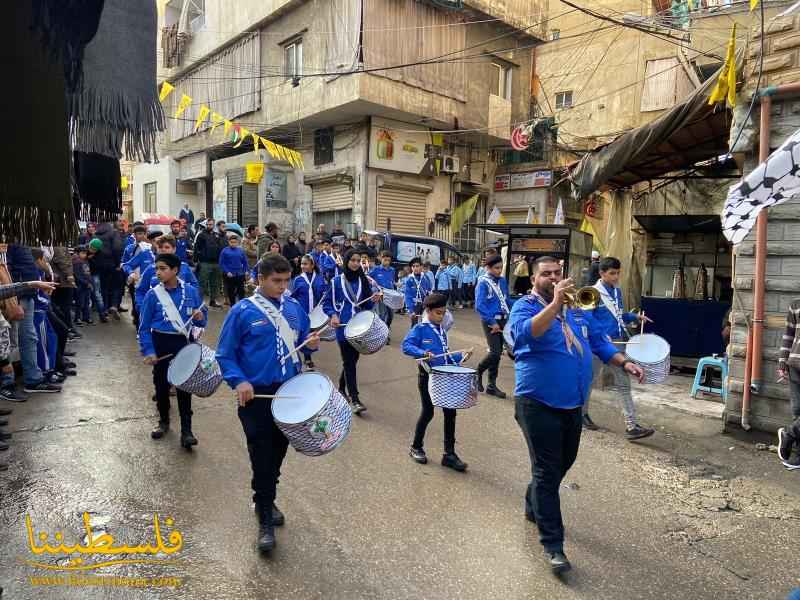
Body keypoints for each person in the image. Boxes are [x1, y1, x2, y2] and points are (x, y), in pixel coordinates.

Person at [508, 256, 644, 573]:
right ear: (533, 280)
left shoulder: (579, 308)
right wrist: (555, 303)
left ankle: (534, 503)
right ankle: (553, 545)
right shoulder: (525, 307)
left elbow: (599, 341)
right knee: (546, 470)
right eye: (546, 274)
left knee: (560, 465)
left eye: (557, 273)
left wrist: (623, 362)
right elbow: (524, 335)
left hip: (572, 404)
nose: (553, 277)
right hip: (537, 402)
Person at [216, 254, 320, 552]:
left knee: (277, 453)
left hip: (288, 392)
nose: (282, 287)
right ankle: (264, 518)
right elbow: (225, 354)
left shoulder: (295, 308)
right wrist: (239, 381)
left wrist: (311, 343)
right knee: (261, 454)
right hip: (256, 395)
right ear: (260, 278)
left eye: (287, 281)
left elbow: (303, 339)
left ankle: (266, 496)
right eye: (276, 281)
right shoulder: (242, 311)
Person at [139, 253, 207, 448]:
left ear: (175, 270)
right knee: (161, 386)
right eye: (156, 269)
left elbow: (201, 321)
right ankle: (163, 422)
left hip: (183, 343)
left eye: (163, 268)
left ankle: (187, 430)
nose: (158, 272)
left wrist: (199, 317)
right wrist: (149, 350)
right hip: (160, 342)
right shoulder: (153, 295)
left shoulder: (191, 292)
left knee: (184, 387)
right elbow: (144, 327)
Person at [585, 256, 654, 440]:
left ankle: (632, 426)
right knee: (588, 381)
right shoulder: (590, 293)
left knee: (624, 384)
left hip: (616, 343)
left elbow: (619, 316)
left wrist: (634, 317)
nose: (616, 277)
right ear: (601, 273)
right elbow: (585, 319)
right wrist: (600, 333)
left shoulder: (617, 291)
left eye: (618, 273)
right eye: (612, 273)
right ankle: (581, 415)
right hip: (597, 345)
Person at [402, 293, 472, 471]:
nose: (442, 317)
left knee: (450, 413)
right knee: (428, 412)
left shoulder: (441, 330)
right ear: (428, 311)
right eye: (439, 313)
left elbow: (446, 355)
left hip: (444, 377)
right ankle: (416, 447)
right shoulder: (420, 328)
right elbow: (406, 346)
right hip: (427, 377)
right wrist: (422, 352)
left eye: (444, 313)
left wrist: (462, 355)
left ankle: (449, 454)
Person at [322, 249, 381, 415]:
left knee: (352, 361)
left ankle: (341, 386)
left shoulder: (364, 281)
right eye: (352, 260)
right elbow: (327, 303)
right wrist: (333, 315)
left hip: (360, 328)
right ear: (346, 261)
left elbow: (367, 306)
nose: (355, 263)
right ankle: (354, 399)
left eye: (358, 260)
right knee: (349, 361)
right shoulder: (336, 282)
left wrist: (373, 300)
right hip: (343, 328)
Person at [6, 244, 61, 393]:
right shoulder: (11, 245)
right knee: (9, 342)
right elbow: (6, 271)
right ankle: (9, 383)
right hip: (17, 296)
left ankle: (33, 379)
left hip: (27, 294)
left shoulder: (21, 243)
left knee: (29, 338)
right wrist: (13, 300)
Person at [474, 254, 510, 398]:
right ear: (488, 267)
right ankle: (477, 371)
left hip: (504, 319)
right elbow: (480, 306)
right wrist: (493, 322)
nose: (499, 270)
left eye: (501, 267)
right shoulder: (483, 282)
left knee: (498, 354)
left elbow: (506, 300)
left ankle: (491, 385)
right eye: (496, 268)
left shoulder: (502, 281)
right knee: (494, 352)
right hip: (491, 321)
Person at [291, 255, 326, 369]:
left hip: (315, 312)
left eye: (305, 264)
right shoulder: (298, 279)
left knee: (312, 334)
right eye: (301, 264)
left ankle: (307, 354)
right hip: (303, 311)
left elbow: (323, 292)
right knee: (305, 333)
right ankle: (307, 358)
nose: (303, 266)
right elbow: (294, 296)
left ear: (312, 265)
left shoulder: (320, 278)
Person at [194, 217, 225, 308]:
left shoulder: (217, 235)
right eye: (207, 224)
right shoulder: (201, 235)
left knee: (215, 283)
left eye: (211, 224)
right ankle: (199, 302)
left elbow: (221, 247)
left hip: (216, 262)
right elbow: (197, 248)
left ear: (214, 225)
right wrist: (196, 260)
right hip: (205, 262)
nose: (209, 226)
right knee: (202, 283)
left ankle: (213, 301)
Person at [219, 235, 249, 307]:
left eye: (235, 242)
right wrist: (227, 272)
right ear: (229, 242)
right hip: (230, 275)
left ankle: (242, 305)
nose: (233, 244)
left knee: (241, 291)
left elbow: (245, 262)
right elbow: (221, 263)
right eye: (231, 242)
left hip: (240, 274)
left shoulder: (240, 251)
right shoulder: (224, 251)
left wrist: (246, 271)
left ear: (237, 242)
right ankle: (233, 305)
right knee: (231, 291)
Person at [370, 251, 396, 332]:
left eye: (388, 260)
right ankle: (382, 332)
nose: (387, 262)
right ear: (381, 259)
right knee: (381, 314)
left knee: (390, 315)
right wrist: (373, 288)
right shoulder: (376, 269)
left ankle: (386, 328)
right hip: (380, 295)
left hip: (390, 295)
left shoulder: (392, 270)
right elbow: (367, 278)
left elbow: (392, 281)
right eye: (385, 260)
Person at [405, 257, 432, 327]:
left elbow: (429, 290)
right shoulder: (409, 280)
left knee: (425, 324)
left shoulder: (425, 278)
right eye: (413, 266)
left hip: (424, 304)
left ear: (421, 266)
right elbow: (408, 296)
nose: (415, 268)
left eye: (417, 266)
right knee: (414, 325)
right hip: (414, 305)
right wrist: (411, 310)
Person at [72, 247, 94, 326]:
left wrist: (90, 282)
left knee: (86, 302)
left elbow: (88, 273)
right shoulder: (76, 262)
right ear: (77, 253)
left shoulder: (85, 261)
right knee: (79, 302)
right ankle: (77, 318)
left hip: (87, 285)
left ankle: (86, 317)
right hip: (80, 286)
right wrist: (86, 283)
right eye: (82, 253)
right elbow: (77, 276)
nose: (84, 255)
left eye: (85, 253)